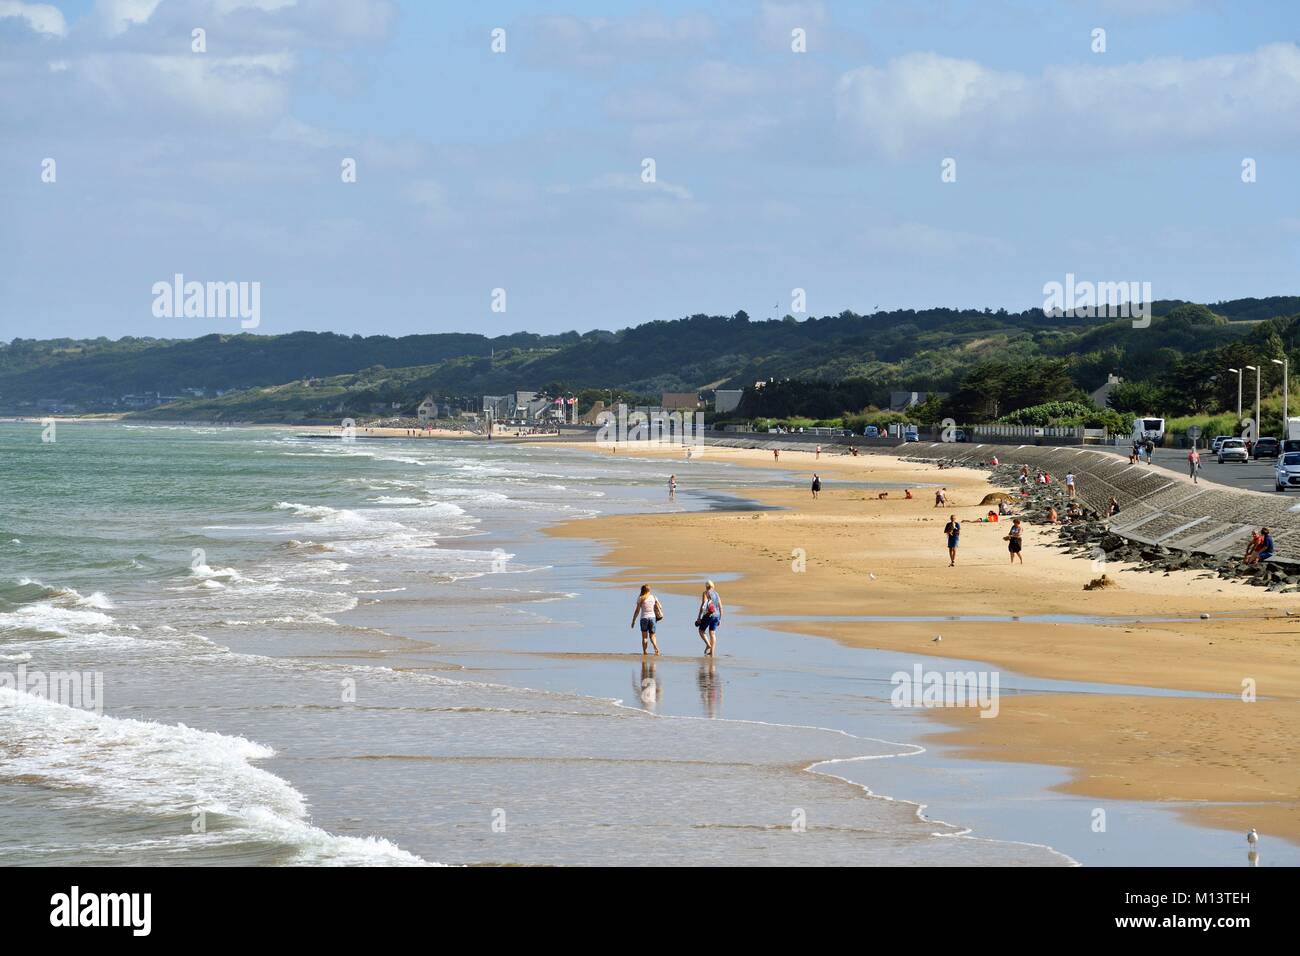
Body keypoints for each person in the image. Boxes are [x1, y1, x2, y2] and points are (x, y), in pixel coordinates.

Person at [630, 584, 662, 655]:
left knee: (645, 637)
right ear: (649, 590)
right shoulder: (654, 597)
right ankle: (656, 647)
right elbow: (660, 606)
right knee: (653, 635)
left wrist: (633, 621)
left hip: (644, 618)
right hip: (652, 618)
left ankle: (645, 652)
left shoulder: (640, 598)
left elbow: (637, 611)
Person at [696, 581, 723, 656]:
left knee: (701, 631)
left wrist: (699, 617)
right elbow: (720, 607)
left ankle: (708, 645)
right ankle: (712, 652)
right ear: (712, 586)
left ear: (706, 586)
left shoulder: (705, 593)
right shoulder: (717, 594)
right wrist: (720, 618)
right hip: (717, 615)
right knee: (712, 633)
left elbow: (703, 605)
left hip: (709, 615)